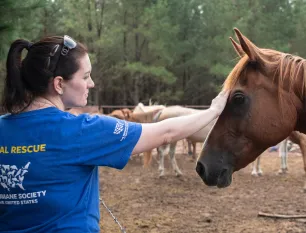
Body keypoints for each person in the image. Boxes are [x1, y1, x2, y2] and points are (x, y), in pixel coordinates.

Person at [0, 35, 228, 233]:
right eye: (85, 76)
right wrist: (214, 110)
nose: (92, 83)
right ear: (59, 84)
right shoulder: (81, 130)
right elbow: (165, 132)